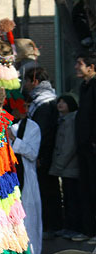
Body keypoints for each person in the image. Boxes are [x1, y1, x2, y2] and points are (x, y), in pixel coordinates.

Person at [22, 66, 61, 238]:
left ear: (35, 81)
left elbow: (42, 131)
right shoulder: (44, 99)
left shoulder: (44, 102)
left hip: (45, 152)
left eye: (27, 81)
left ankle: (52, 226)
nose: (25, 85)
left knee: (48, 189)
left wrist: (38, 154)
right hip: (46, 151)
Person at [7, 104, 42, 254]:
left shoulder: (32, 126)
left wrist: (14, 139)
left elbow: (32, 153)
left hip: (25, 179)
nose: (23, 109)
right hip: (8, 180)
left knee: (29, 222)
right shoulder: (4, 124)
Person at [50, 95, 82, 240]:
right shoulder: (62, 120)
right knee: (69, 198)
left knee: (73, 198)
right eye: (59, 101)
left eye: (64, 102)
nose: (60, 104)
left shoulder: (71, 120)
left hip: (70, 167)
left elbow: (69, 145)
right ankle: (68, 227)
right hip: (65, 167)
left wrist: (59, 165)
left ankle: (73, 227)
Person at [74, 52, 96, 244]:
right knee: (86, 188)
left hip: (93, 146)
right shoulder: (84, 86)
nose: (76, 67)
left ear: (91, 67)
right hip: (83, 146)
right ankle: (88, 230)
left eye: (79, 63)